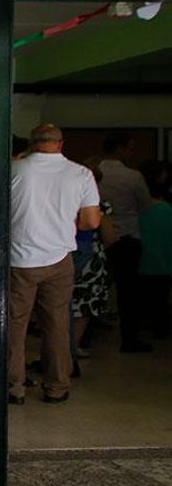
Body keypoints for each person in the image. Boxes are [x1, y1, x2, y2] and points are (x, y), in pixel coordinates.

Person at [8, 124, 101, 405]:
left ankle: (14, 387)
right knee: (56, 324)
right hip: (59, 259)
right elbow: (91, 222)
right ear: (60, 143)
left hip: (19, 259)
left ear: (32, 143)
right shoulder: (80, 174)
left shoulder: (14, 170)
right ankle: (56, 386)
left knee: (15, 325)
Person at [96, 133, 154, 352]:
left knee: (96, 286)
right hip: (127, 238)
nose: (131, 153)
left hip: (98, 237)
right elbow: (145, 204)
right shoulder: (133, 177)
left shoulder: (91, 173)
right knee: (128, 291)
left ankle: (86, 334)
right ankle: (129, 338)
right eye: (129, 148)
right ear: (119, 149)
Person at [138, 161, 171, 339]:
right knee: (161, 294)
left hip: (143, 254)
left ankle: (146, 321)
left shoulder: (137, 206)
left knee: (147, 292)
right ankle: (160, 326)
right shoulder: (164, 208)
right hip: (163, 255)